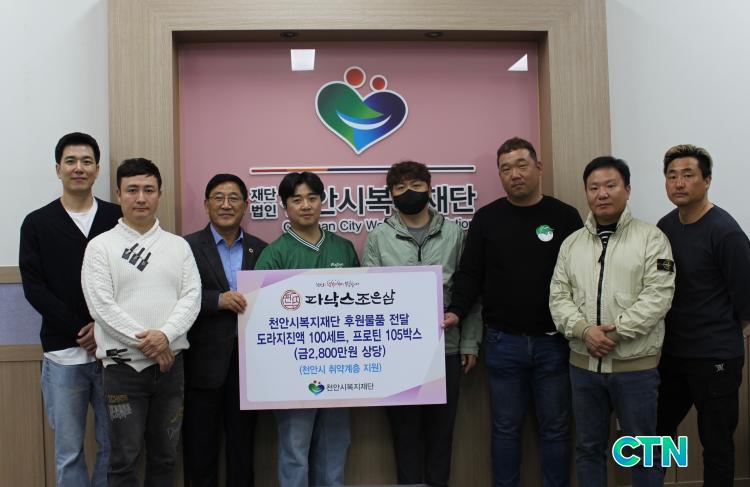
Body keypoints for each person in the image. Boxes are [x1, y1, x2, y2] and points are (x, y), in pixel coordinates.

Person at [444, 137, 582, 486]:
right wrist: (456, 311)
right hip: (503, 343)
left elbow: (584, 275)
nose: (515, 174)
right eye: (506, 169)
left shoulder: (565, 217)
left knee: (556, 428)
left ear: (539, 168)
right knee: (505, 429)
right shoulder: (487, 219)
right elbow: (470, 274)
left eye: (522, 165)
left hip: (554, 343)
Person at [549, 156, 675, 486]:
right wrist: (584, 331)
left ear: (627, 190)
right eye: (594, 187)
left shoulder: (652, 238)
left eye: (610, 185)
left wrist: (612, 335)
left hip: (636, 367)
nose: (602, 193)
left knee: (644, 452)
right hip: (583, 367)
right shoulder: (571, 244)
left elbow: (658, 297)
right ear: (586, 193)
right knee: (588, 449)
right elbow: (558, 297)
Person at [81, 158, 201, 486]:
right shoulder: (100, 247)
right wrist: (151, 344)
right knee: (123, 459)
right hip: (123, 371)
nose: (141, 198)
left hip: (170, 368)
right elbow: (101, 307)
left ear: (160, 194)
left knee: (165, 457)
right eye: (132, 190)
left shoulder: (178, 247)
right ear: (118, 194)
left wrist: (165, 336)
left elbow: (192, 298)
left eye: (149, 190)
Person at [362, 160, 482, 487]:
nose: (408, 192)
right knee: (405, 436)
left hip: (446, 349)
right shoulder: (379, 236)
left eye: (415, 185)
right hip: (397, 354)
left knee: (441, 435)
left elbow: (469, 291)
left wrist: (469, 342)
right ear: (391, 194)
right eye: (400, 188)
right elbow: (367, 294)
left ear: (429, 188)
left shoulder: (454, 233)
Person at [19, 132, 121, 487]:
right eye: (71, 161)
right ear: (58, 169)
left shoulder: (117, 218)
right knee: (69, 452)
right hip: (63, 354)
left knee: (114, 447)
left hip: (114, 353)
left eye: (87, 161)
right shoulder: (37, 222)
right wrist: (82, 329)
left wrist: (103, 329)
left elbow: (132, 285)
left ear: (97, 169)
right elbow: (35, 288)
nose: (79, 168)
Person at [255, 171, 359, 487]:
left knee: (335, 447)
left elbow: (360, 305)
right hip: (291, 371)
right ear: (285, 206)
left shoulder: (343, 248)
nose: (305, 205)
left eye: (312, 198)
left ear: (322, 201)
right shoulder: (274, 253)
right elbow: (261, 316)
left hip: (338, 368)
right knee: (294, 449)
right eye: (297, 199)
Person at [656, 144, 750, 486]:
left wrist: (719, 335)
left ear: (707, 180)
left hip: (715, 359)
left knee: (716, 446)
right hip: (672, 355)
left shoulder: (726, 232)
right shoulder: (665, 226)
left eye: (688, 175)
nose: (679, 183)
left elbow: (745, 301)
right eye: (672, 176)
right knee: (655, 433)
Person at [183, 173, 267, 487]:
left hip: (249, 366)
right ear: (206, 205)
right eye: (218, 198)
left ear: (246, 205)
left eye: (234, 198)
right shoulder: (186, 247)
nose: (226, 204)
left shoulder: (262, 249)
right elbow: (176, 297)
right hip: (202, 363)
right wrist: (216, 300)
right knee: (200, 447)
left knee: (243, 447)